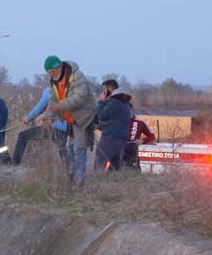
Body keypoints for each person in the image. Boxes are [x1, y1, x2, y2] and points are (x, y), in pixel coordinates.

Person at [42, 55, 96, 186]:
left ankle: (79, 181)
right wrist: (48, 116)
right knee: (69, 147)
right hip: (69, 117)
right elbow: (53, 100)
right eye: (48, 72)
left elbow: (80, 97)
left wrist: (59, 106)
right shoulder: (54, 81)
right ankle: (71, 176)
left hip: (83, 117)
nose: (50, 75)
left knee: (79, 148)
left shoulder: (77, 76)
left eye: (51, 72)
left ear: (59, 67)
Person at [12, 87, 71, 166]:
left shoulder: (49, 90)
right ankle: (69, 170)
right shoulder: (71, 90)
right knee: (62, 147)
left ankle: (15, 164)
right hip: (68, 127)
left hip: (54, 126)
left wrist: (28, 118)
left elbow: (39, 107)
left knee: (22, 135)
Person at [94, 80, 132, 172]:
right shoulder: (125, 103)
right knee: (116, 167)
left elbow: (100, 116)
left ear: (109, 89)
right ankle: (114, 185)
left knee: (100, 162)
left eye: (105, 90)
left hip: (110, 137)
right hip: (121, 139)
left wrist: (101, 102)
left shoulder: (114, 102)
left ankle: (98, 183)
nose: (103, 92)